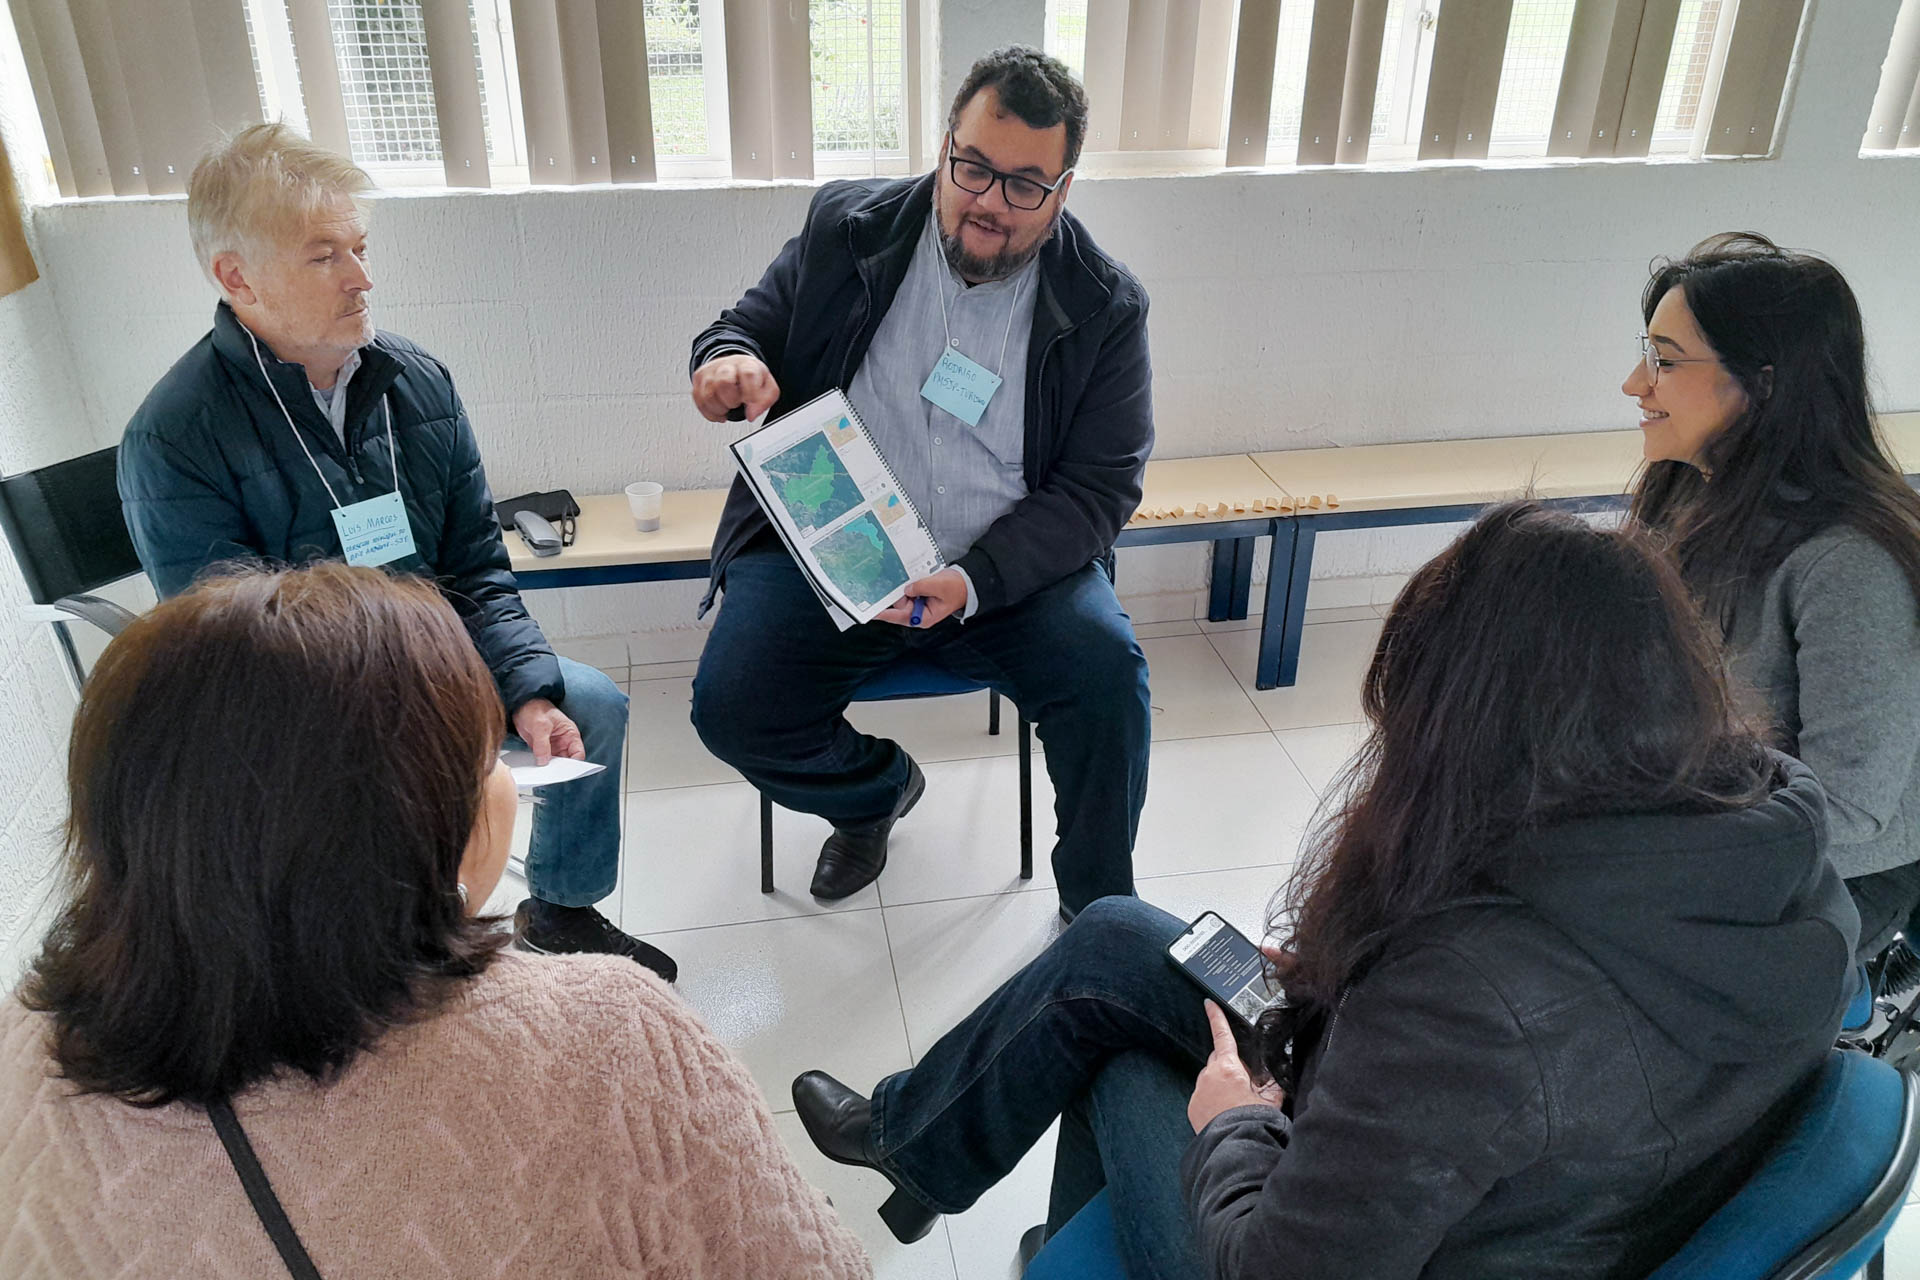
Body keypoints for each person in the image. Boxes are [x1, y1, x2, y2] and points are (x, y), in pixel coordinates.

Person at [789, 503, 1858, 1280]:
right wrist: (1339, 995)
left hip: (1401, 1205)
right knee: (1119, 940)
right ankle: (911, 1135)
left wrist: (1236, 1124)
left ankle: (1038, 1227)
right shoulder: (1770, 825)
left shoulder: (1467, 1004)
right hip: (1522, 1169)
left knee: (1117, 1055)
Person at [0, 564, 869, 1278]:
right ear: (413, 820)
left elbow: (482, 572)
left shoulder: (21, 1048)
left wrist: (525, 690)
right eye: (481, 751)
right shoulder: (612, 1035)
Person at [115, 123, 673, 978]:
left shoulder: (416, 382)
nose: (362, 278)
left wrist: (522, 691)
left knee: (586, 706)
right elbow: (235, 654)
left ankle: (562, 910)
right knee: (387, 802)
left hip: (443, 667)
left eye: (361, 248)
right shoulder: (174, 437)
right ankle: (393, 960)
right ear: (237, 276)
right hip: (312, 718)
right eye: (324, 256)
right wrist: (414, 714)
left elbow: (479, 564)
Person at [686, 47, 1152, 915]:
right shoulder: (849, 231)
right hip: (840, 545)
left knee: (1108, 683)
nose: (987, 203)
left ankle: (1102, 916)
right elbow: (743, 325)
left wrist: (978, 579)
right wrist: (727, 362)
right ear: (945, 148)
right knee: (732, 707)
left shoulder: (1105, 307)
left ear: (1064, 189)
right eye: (972, 168)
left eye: (1024, 185)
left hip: (1003, 569)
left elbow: (1100, 490)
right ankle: (873, 794)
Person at [1625, 232, 1920, 962]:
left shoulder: (1850, 563)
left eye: (1665, 360)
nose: (1636, 382)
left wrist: (1654, 842)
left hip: (1831, 870)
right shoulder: (1683, 494)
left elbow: (1847, 811)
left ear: (1763, 382)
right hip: (1699, 820)